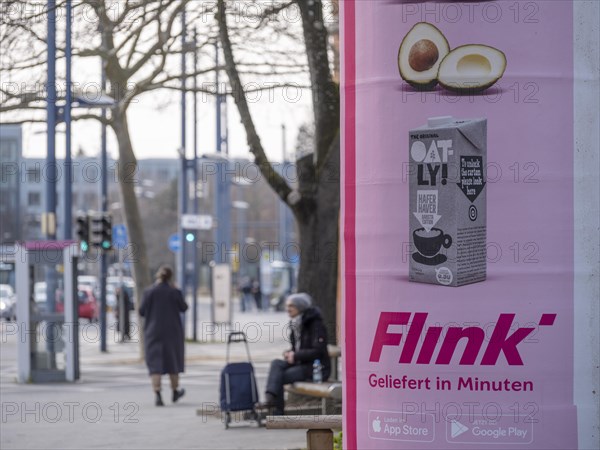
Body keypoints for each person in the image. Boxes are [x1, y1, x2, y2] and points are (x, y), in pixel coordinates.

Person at [261, 293, 330, 415]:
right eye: (287, 305)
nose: (288, 309)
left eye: (291, 306)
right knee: (276, 363)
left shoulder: (315, 324)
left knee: (280, 377)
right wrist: (290, 353)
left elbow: (318, 351)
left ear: (301, 307)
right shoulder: (296, 324)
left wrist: (295, 356)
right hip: (301, 363)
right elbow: (297, 348)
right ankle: (270, 396)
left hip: (315, 368)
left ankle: (277, 412)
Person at [139, 266, 188, 406]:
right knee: (172, 362)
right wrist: (177, 291)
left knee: (155, 364)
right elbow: (184, 308)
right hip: (172, 332)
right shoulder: (174, 292)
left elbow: (141, 311)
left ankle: (158, 394)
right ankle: (174, 391)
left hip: (153, 332)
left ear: (157, 276)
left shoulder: (149, 292)